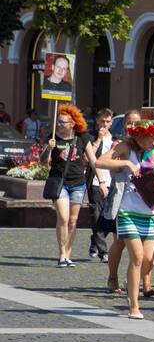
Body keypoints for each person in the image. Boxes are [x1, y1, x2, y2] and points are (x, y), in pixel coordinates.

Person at [95, 119, 154, 319]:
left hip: (150, 210)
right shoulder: (126, 147)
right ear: (139, 137)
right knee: (137, 256)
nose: (151, 141)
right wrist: (125, 162)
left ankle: (130, 282)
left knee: (149, 259)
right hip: (128, 210)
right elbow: (100, 162)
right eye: (147, 138)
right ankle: (134, 305)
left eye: (153, 137)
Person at [40, 105, 97, 267]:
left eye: (62, 122)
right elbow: (44, 162)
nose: (59, 124)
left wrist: (103, 181)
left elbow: (93, 160)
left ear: (72, 123)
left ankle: (68, 254)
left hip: (78, 183)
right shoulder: (53, 137)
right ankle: (62, 253)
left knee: (73, 220)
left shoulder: (82, 137)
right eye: (58, 121)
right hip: (59, 182)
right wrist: (48, 149)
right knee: (63, 218)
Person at [104, 110, 142, 294]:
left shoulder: (145, 145)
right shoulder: (120, 144)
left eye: (136, 123)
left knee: (139, 245)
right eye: (129, 123)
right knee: (120, 241)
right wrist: (125, 163)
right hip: (122, 199)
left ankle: (136, 280)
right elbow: (101, 163)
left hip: (143, 202)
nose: (133, 127)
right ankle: (113, 277)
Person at [86, 109, 114, 263]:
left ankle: (95, 239)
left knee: (110, 218)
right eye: (102, 121)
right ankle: (104, 252)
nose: (105, 124)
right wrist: (98, 139)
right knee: (97, 216)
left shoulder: (115, 139)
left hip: (112, 182)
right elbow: (87, 157)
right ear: (97, 121)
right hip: (96, 181)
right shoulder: (91, 137)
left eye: (108, 121)